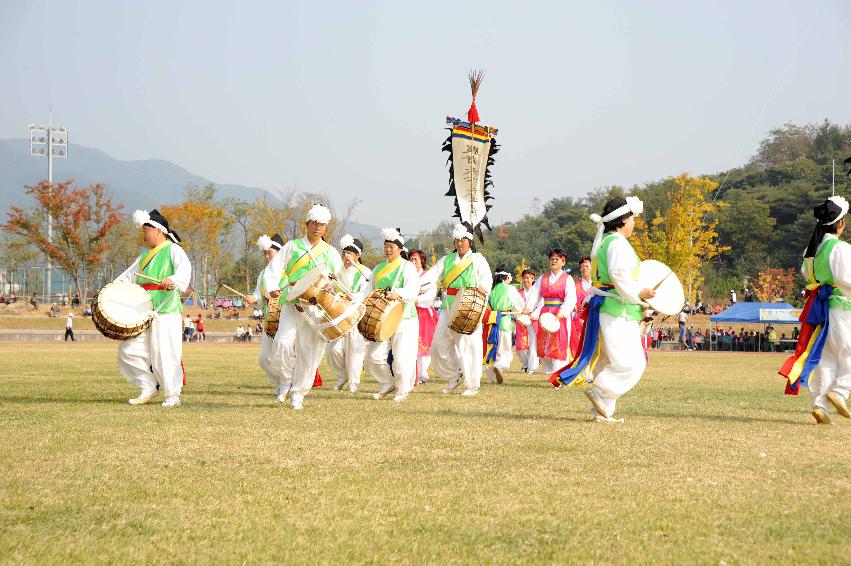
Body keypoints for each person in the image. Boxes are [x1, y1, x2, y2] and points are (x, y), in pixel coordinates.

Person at [552, 196, 656, 423]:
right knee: (631, 363)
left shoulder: (605, 241)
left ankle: (603, 410)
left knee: (609, 360)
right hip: (617, 308)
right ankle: (601, 391)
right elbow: (619, 275)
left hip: (609, 306)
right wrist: (639, 294)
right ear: (622, 221)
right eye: (631, 219)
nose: (634, 224)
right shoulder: (617, 243)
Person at [780, 195, 851, 424]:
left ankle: (820, 404)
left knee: (826, 357)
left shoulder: (810, 251)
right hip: (841, 305)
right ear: (840, 223)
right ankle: (840, 392)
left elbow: (807, 275)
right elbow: (845, 278)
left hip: (819, 310)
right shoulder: (839, 248)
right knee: (846, 352)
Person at [264, 204, 343, 410]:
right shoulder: (292, 246)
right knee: (282, 343)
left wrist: (330, 285)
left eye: (322, 225)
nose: (317, 227)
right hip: (292, 302)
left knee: (310, 352)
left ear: (326, 228)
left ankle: (298, 393)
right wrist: (273, 287)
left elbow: (339, 280)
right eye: (314, 223)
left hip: (316, 307)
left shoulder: (331, 252)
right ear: (306, 224)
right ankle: (284, 381)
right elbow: (273, 269)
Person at [114, 209, 190, 407]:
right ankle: (148, 386)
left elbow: (184, 271)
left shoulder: (173, 250)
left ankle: (172, 395)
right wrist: (112, 290)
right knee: (128, 349)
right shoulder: (145, 256)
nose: (144, 234)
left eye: (146, 230)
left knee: (165, 352)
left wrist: (172, 280)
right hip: (144, 310)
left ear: (158, 230)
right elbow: (127, 277)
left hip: (166, 309)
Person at [422, 223, 492, 396]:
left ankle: (471, 385)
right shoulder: (446, 260)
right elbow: (431, 276)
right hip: (448, 307)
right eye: (457, 240)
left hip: (469, 307)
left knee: (469, 346)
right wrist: (417, 284)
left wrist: (482, 289)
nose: (460, 243)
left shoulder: (477, 259)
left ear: (469, 241)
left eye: (463, 240)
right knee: (438, 345)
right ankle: (454, 376)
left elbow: (486, 280)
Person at [363, 228, 420, 401]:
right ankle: (387, 382)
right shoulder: (378, 268)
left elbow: (413, 290)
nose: (388, 249)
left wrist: (398, 293)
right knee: (372, 356)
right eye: (386, 246)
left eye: (391, 247)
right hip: (382, 320)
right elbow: (367, 292)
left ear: (400, 249)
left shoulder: (407, 267)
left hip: (404, 318)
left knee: (402, 359)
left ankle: (402, 389)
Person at [325, 234, 370, 393]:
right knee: (333, 350)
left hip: (355, 316)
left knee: (354, 350)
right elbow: (329, 288)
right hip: (337, 315)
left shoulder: (365, 272)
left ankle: (353, 382)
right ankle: (342, 376)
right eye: (344, 252)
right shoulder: (336, 271)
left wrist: (354, 298)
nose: (346, 256)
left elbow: (367, 294)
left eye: (350, 253)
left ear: (358, 255)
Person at [245, 234, 287, 395]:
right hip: (270, 319)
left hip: (287, 316)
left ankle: (287, 384)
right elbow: (259, 297)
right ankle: (280, 383)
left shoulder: (288, 270)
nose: (266, 256)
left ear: (280, 252)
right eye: (265, 253)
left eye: (270, 252)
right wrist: (253, 298)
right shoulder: (263, 274)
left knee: (284, 353)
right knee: (264, 358)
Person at [525, 249, 577, 375]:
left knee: (559, 343)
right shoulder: (543, 278)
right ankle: (550, 372)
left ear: (563, 262)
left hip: (560, 315)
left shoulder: (567, 279)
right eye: (552, 259)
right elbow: (535, 295)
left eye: (557, 259)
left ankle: (559, 375)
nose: (553, 261)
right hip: (545, 314)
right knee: (545, 343)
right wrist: (528, 308)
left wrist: (563, 312)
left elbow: (571, 298)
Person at [483, 267, 525, 384]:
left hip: (491, 322)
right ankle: (499, 366)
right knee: (505, 349)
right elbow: (518, 304)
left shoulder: (491, 290)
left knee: (492, 348)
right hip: (504, 321)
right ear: (506, 277)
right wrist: (522, 314)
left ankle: (492, 377)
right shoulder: (509, 289)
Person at [409, 249, 438, 384]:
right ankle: (411, 373)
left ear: (422, 261)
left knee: (423, 344)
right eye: (411, 259)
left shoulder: (427, 276)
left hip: (423, 312)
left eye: (416, 259)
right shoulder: (407, 275)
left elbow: (431, 294)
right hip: (408, 310)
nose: (413, 262)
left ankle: (422, 374)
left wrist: (417, 300)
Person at [515, 269, 539, 374]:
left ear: (533, 279)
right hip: (521, 321)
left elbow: (540, 305)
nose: (525, 280)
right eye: (523, 278)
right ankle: (525, 363)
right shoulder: (518, 293)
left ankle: (532, 368)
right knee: (520, 347)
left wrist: (533, 315)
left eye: (528, 278)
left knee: (533, 344)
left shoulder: (537, 292)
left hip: (533, 321)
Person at [571, 257, 593, 358]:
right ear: (580, 269)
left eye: (587, 266)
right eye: (582, 266)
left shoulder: (597, 285)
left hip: (594, 316)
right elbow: (569, 300)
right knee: (578, 344)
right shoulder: (574, 286)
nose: (584, 268)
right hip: (578, 319)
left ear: (592, 267)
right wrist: (573, 305)